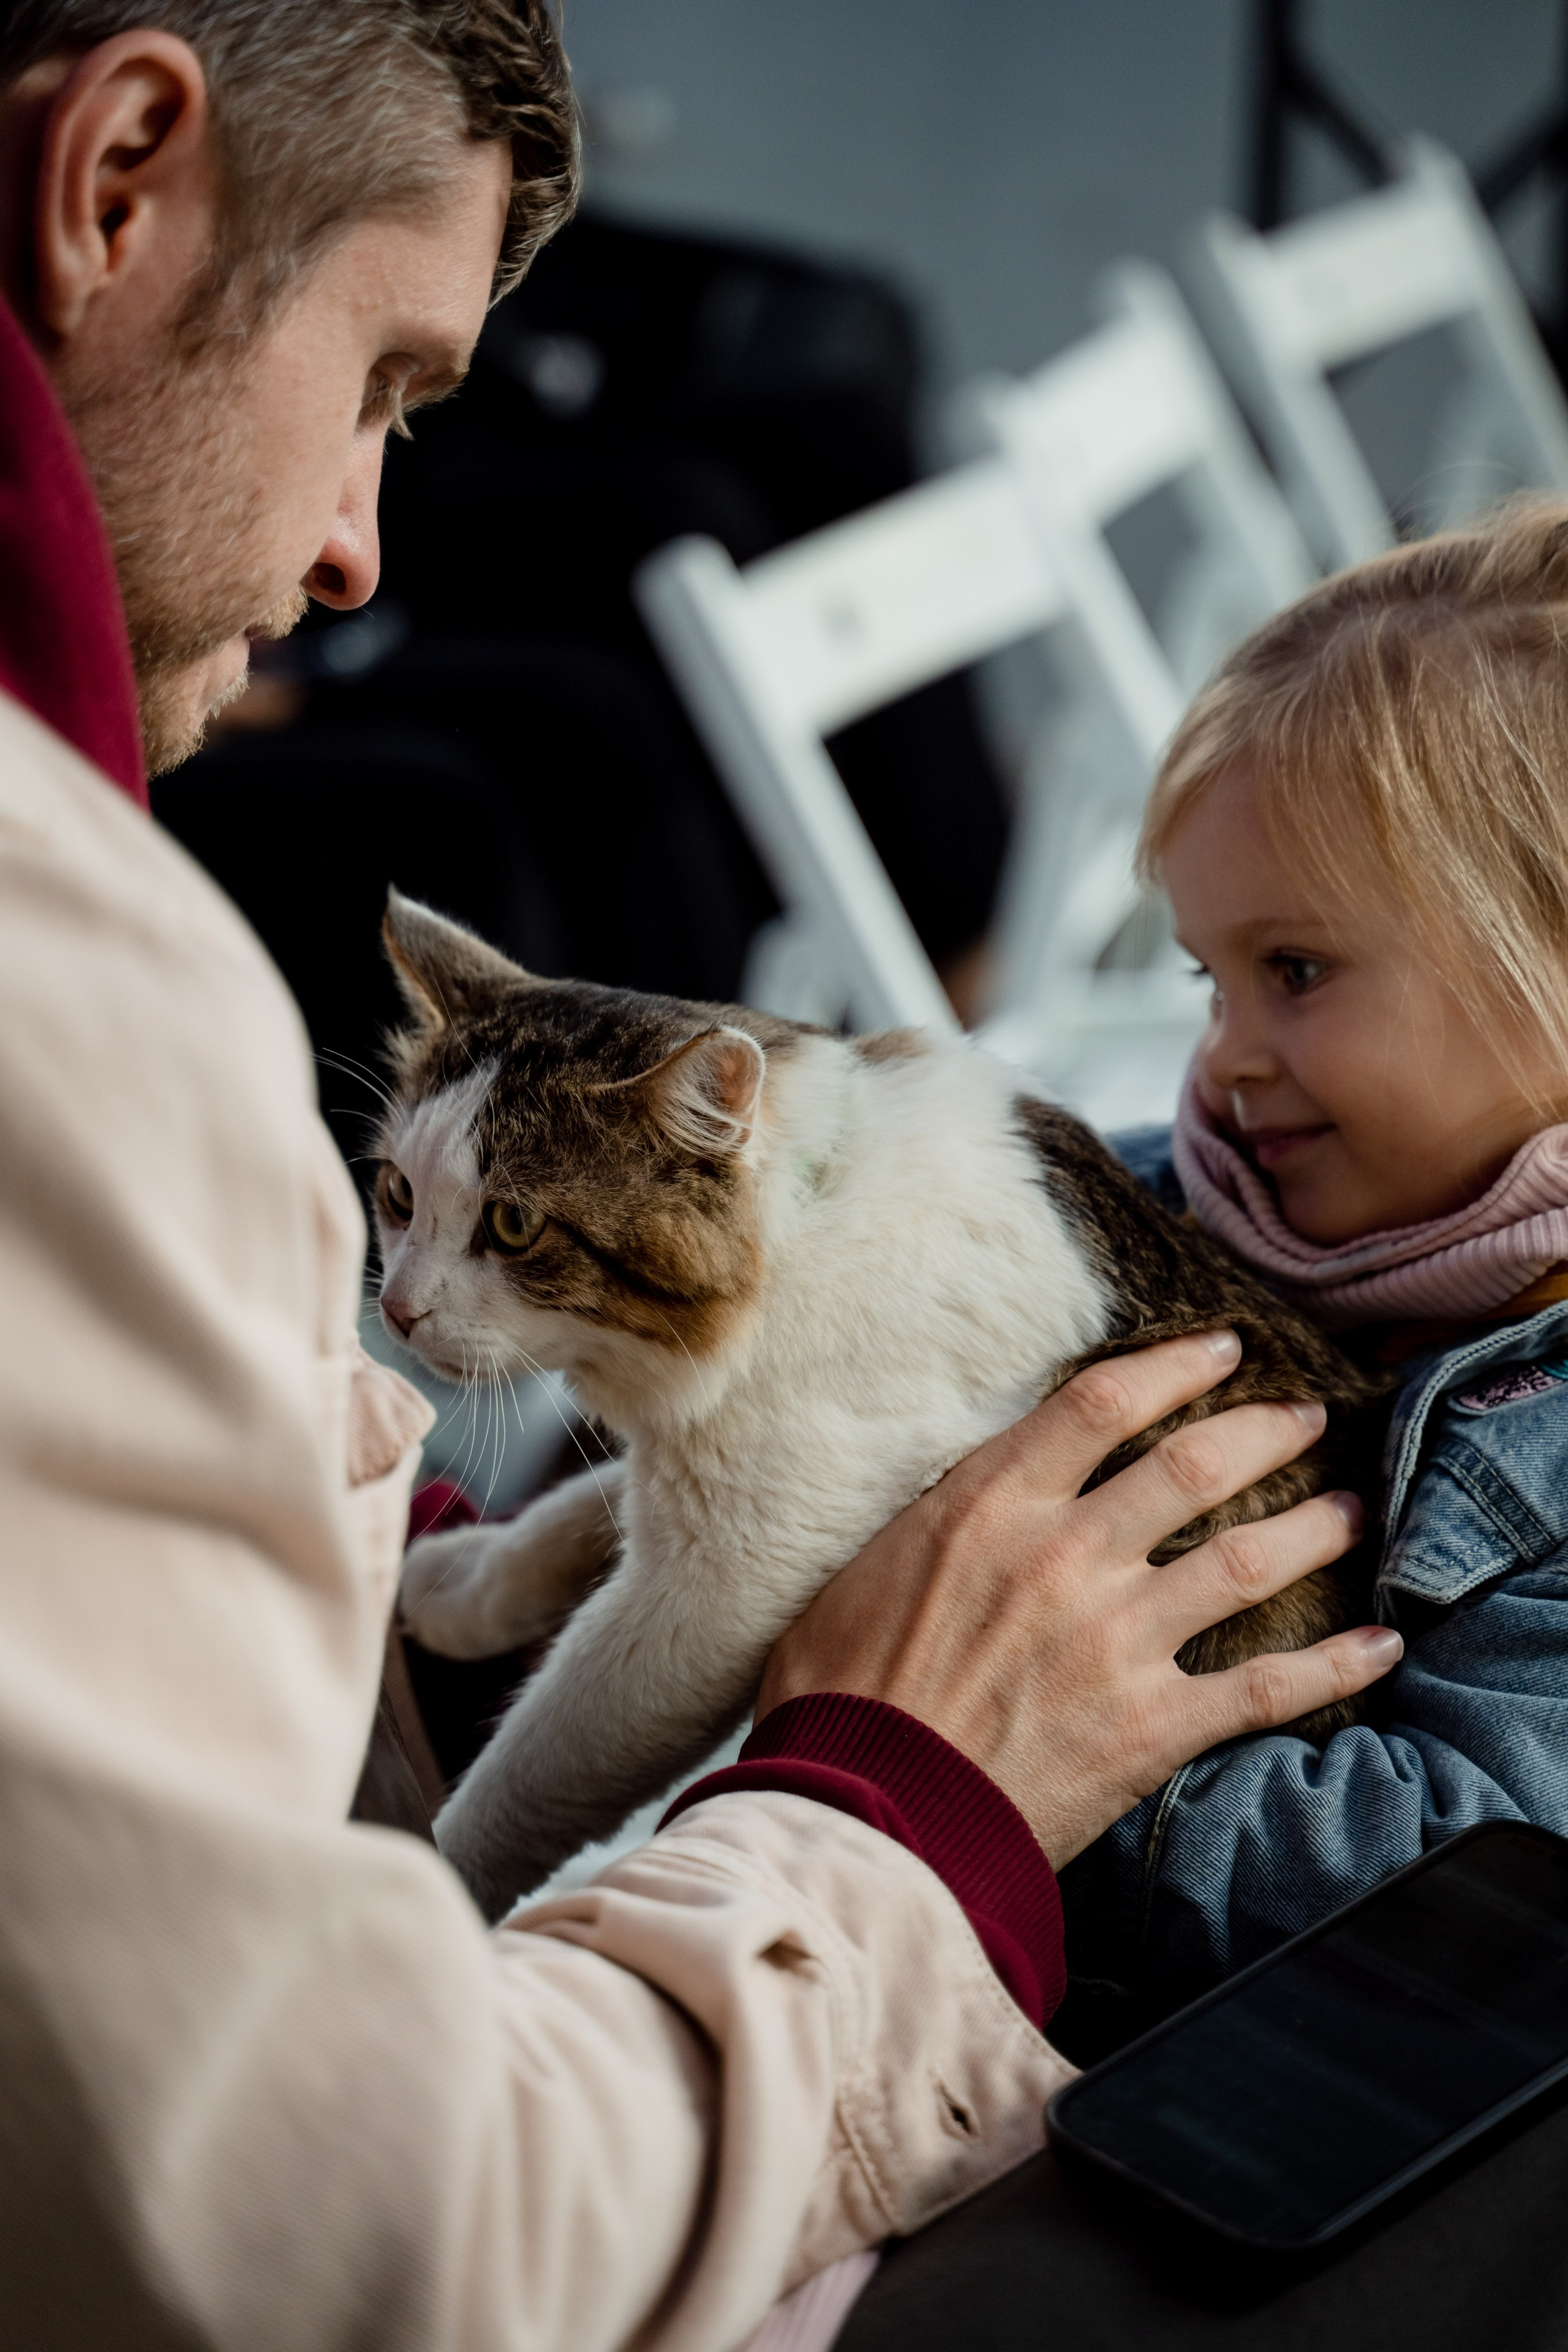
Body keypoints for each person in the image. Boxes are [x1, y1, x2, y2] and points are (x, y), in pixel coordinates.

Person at [0, 7, 1396, 2346]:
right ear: (116, 177)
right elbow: (372, 2252)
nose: (358, 547)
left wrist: (433, 1624)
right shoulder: (81, 988)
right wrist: (895, 1799)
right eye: (385, 385)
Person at [1063, 503, 1568, 2022]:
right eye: (1207, 977)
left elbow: (1462, 1885)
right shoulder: (1150, 1196)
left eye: (1293, 972)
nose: (1221, 1063)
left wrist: (1028, 1763)